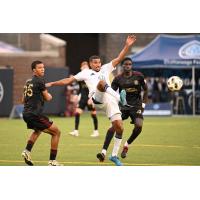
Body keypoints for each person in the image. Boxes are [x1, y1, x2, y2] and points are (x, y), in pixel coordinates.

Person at [46, 34, 137, 166]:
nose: (98, 64)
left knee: (120, 127)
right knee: (101, 83)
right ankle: (120, 98)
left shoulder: (106, 68)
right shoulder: (85, 73)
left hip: (109, 100)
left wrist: (127, 46)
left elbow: (119, 58)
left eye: (99, 62)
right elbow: (68, 80)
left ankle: (114, 156)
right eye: (95, 62)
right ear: (90, 64)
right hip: (97, 98)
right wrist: (52, 84)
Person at [97, 57, 148, 161]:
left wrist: (143, 105)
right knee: (113, 127)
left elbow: (146, 90)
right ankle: (103, 152)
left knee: (138, 126)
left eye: (129, 64)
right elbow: (110, 93)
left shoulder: (139, 76)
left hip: (136, 106)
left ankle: (126, 145)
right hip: (123, 106)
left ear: (132, 65)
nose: (127, 66)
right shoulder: (117, 79)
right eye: (125, 64)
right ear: (122, 66)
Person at [21, 60, 62, 166]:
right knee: (56, 132)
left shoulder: (28, 82)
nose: (42, 69)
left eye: (43, 67)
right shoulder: (40, 81)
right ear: (34, 70)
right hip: (35, 114)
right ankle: (52, 161)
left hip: (26, 113)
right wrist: (49, 95)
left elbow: (22, 100)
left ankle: (27, 151)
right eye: (40, 68)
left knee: (37, 130)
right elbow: (48, 98)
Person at [69, 61, 99, 137]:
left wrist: (92, 98)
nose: (85, 68)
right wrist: (76, 95)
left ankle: (96, 131)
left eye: (86, 66)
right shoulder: (80, 77)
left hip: (90, 99)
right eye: (83, 67)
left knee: (93, 114)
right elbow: (80, 88)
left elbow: (96, 88)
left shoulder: (91, 76)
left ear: (88, 67)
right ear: (81, 68)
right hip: (83, 98)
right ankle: (76, 131)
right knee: (77, 113)